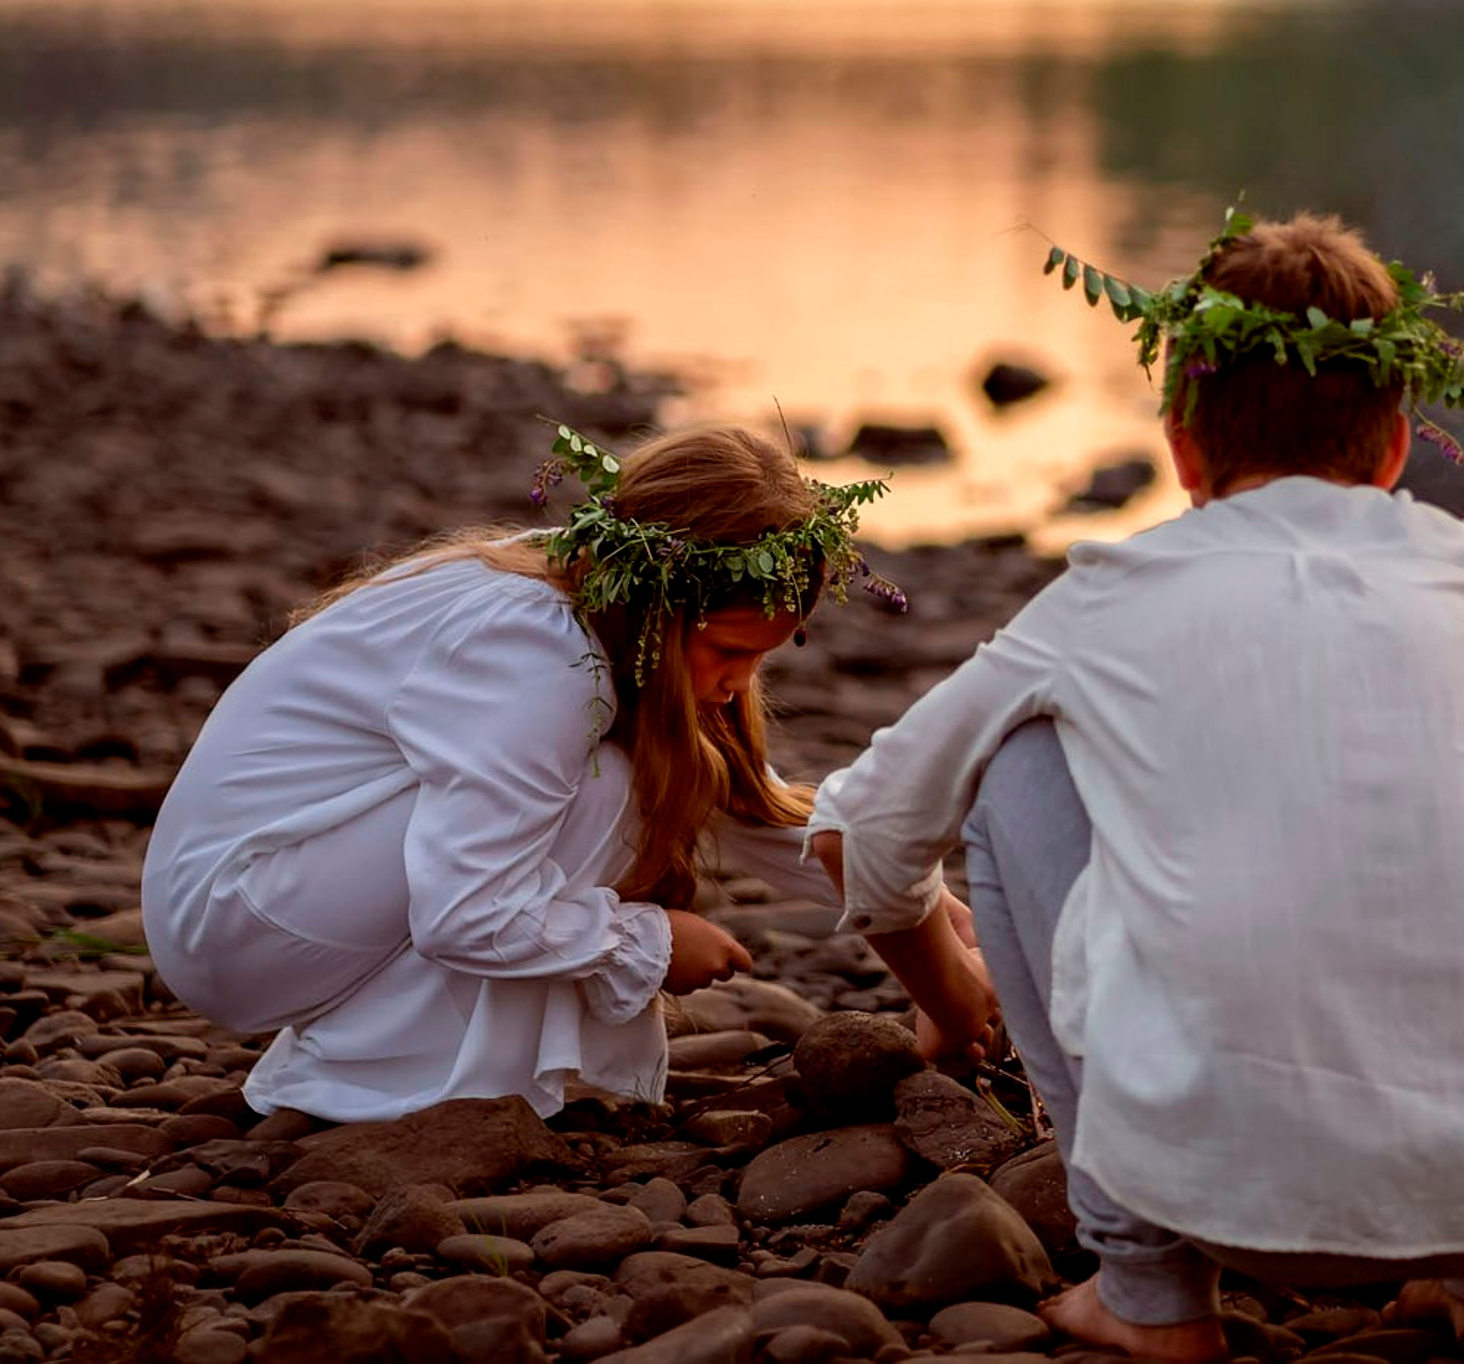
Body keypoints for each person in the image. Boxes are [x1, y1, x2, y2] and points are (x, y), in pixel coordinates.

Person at [806, 211, 1464, 1363]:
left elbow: (863, 826)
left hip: (1208, 1177)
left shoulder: (1110, 593)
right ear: (1397, 444)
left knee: (1015, 755)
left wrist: (955, 1001)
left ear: (1181, 445)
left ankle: (1149, 1291)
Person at [142, 422, 975, 1124]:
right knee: (611, 791)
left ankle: (416, 1067)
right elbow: (463, 910)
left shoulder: (596, 600)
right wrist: (646, 943)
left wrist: (926, 909)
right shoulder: (541, 658)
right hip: (234, 918)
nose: (736, 684)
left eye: (759, 659)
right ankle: (376, 1087)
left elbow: (734, 803)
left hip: (282, 889)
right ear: (660, 601)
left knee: (631, 776)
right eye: (728, 652)